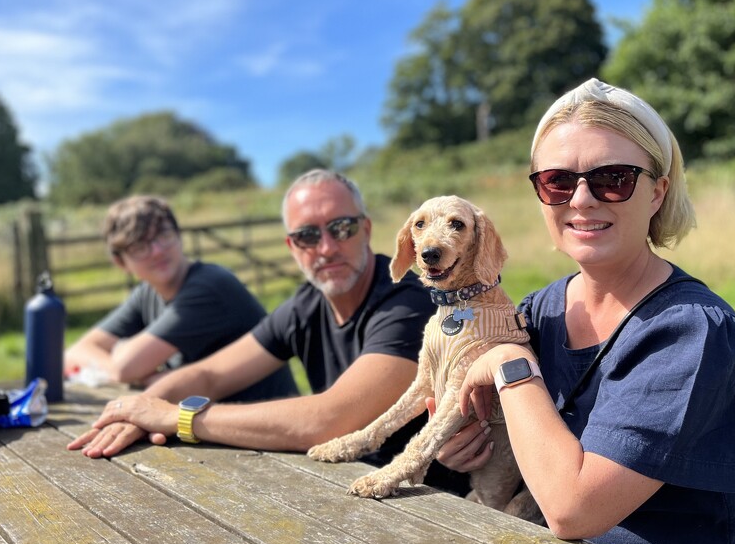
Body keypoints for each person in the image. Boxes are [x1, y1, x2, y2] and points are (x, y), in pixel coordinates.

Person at [436, 78, 735, 544]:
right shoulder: (538, 310)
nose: (583, 199)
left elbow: (574, 508)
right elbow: (508, 439)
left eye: (613, 178)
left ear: (657, 191)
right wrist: (466, 448)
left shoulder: (691, 329)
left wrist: (507, 360)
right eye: (557, 181)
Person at [68, 170, 468, 495]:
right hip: (354, 487)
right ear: (292, 247)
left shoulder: (410, 300)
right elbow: (210, 374)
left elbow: (330, 420)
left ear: (365, 229)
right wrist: (141, 410)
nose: (326, 247)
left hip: (444, 505)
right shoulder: (306, 305)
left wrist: (176, 417)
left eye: (341, 227)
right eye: (308, 236)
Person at [62, 195, 297, 402]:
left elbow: (126, 368)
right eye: (139, 246)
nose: (157, 250)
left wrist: (125, 361)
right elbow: (76, 352)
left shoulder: (209, 286)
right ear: (121, 262)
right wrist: (124, 366)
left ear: (179, 235)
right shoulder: (147, 293)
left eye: (163, 235)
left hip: (264, 431)